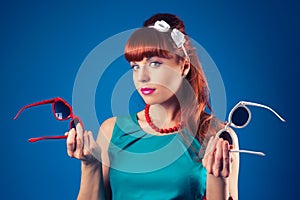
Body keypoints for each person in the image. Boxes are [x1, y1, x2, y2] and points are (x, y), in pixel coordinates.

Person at [66, 13, 239, 200]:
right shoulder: (112, 131)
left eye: (155, 63)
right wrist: (90, 165)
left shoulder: (217, 134)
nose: (142, 77)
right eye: (135, 66)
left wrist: (218, 180)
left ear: (184, 66)